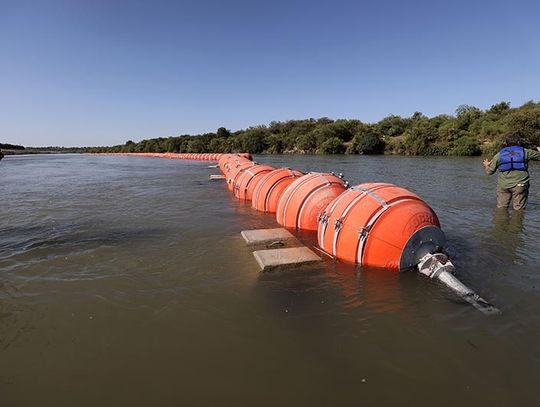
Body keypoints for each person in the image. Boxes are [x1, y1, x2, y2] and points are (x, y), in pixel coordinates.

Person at [483, 133, 540, 210]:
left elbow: (489, 172)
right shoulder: (526, 152)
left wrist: (486, 165)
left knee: (501, 209)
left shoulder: (499, 155)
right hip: (520, 185)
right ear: (519, 142)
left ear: (506, 143)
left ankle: (501, 221)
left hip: (503, 186)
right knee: (519, 211)